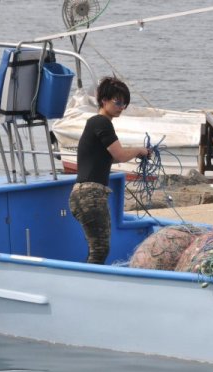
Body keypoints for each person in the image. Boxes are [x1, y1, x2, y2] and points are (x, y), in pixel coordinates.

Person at [69, 76, 150, 264]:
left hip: (85, 194)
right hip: (90, 195)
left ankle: (89, 283)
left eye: (125, 104)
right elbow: (121, 155)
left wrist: (137, 153)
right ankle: (88, 286)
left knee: (98, 248)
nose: (121, 107)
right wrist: (139, 150)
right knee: (100, 249)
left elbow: (110, 157)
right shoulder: (101, 122)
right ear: (104, 100)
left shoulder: (97, 123)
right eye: (118, 102)